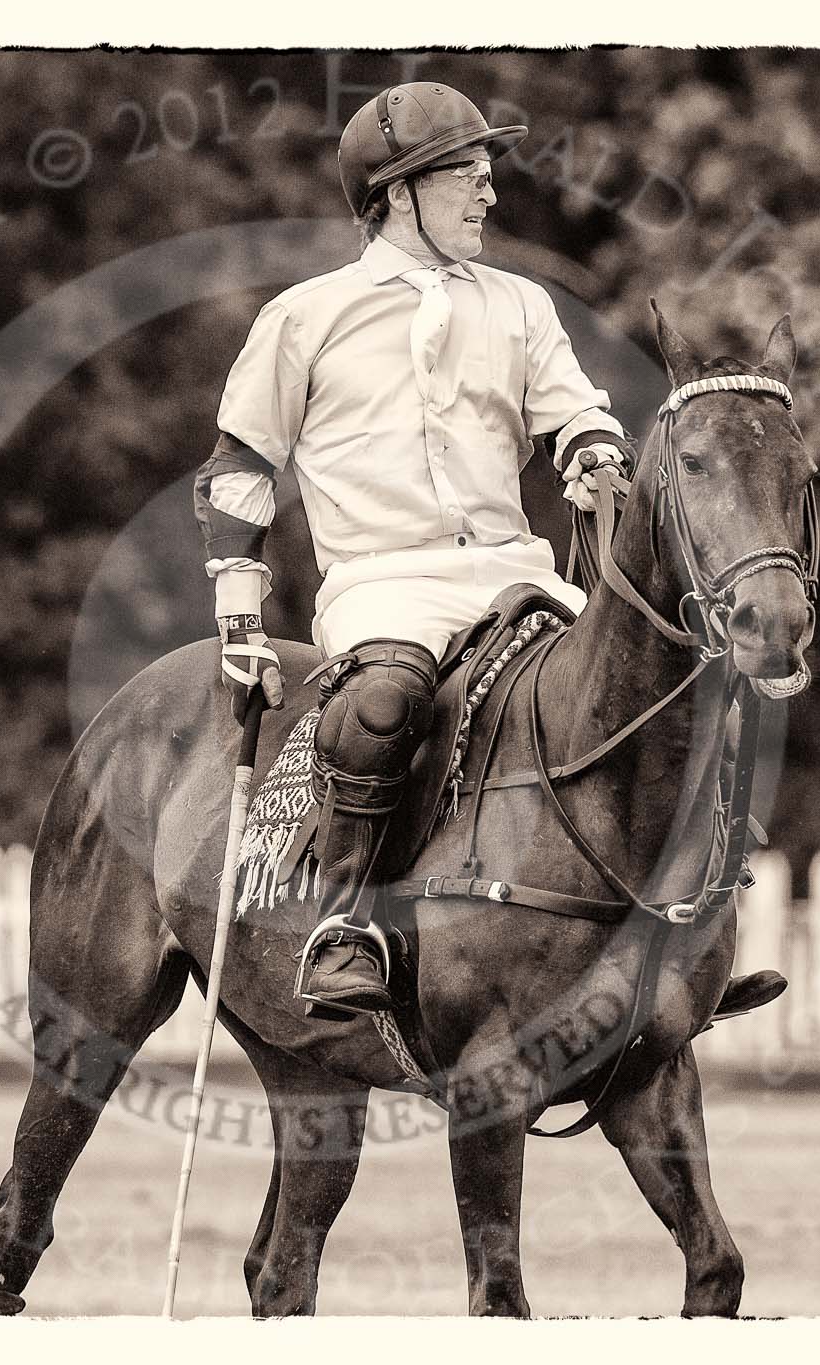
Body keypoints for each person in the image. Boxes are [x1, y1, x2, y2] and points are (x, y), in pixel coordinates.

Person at [191, 82, 675, 1018]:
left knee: (642, 688)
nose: (490, 196)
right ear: (397, 190)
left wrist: (593, 453)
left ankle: (677, 930)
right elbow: (241, 469)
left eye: (489, 176)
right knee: (382, 706)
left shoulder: (523, 304)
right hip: (386, 586)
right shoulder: (303, 317)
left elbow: (574, 411)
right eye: (468, 177)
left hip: (516, 575)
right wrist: (239, 617)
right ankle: (344, 929)